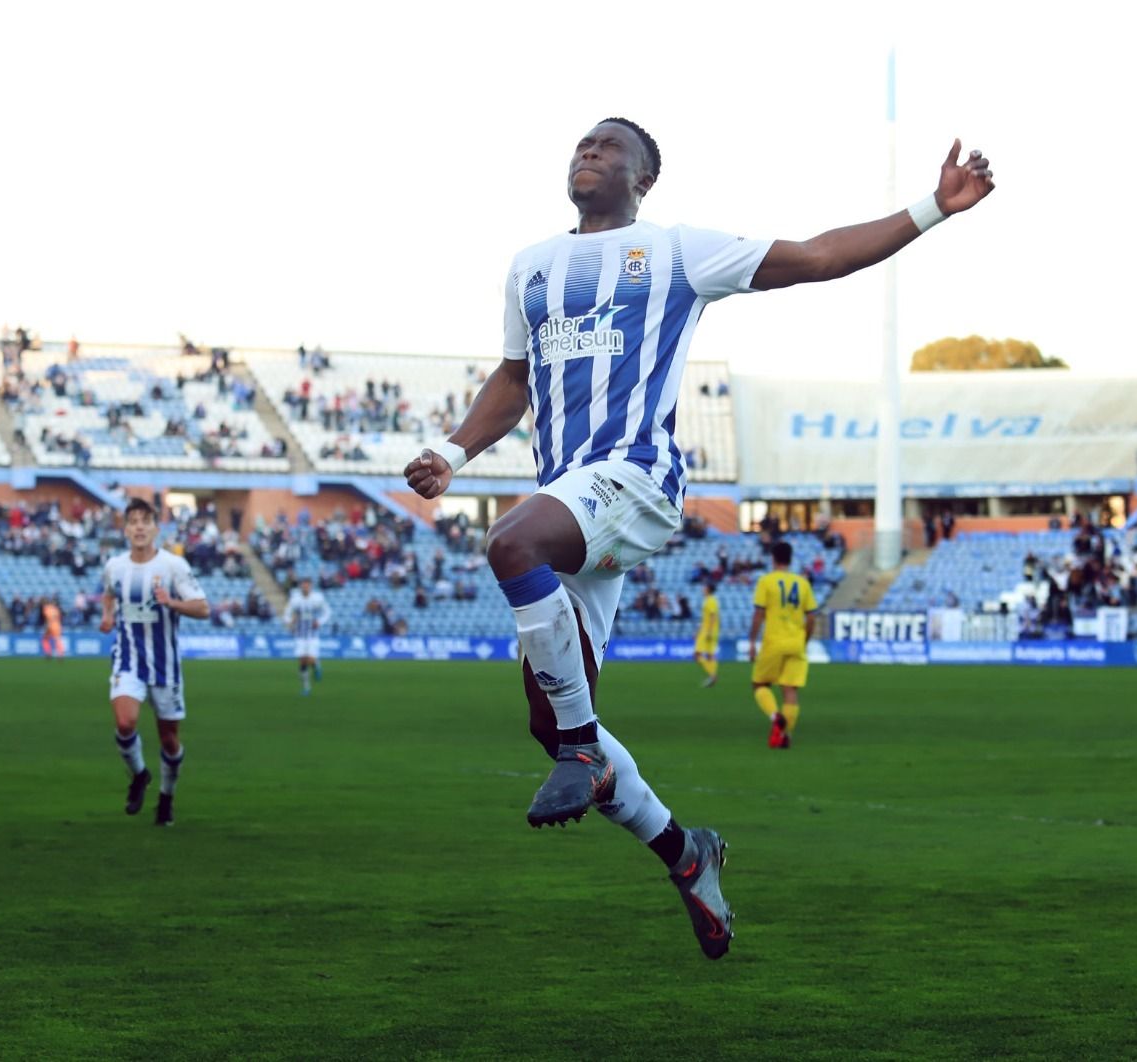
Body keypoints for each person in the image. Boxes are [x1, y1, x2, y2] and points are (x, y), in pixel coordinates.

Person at [402, 116, 994, 959]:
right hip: (572, 501)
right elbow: (513, 377)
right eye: (582, 142)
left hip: (636, 481)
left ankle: (582, 748)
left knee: (511, 548)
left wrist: (931, 209)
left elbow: (817, 256)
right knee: (546, 716)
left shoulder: (677, 251)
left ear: (645, 176)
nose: (589, 150)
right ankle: (688, 855)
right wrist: (453, 452)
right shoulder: (530, 266)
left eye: (611, 145)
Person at [99, 498, 211, 826]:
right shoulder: (115, 566)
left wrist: (172, 602)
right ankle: (139, 775)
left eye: (145, 521)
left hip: (166, 665)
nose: (139, 527)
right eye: (132, 521)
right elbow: (108, 592)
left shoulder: (173, 566)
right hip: (128, 658)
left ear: (155, 529)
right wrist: (108, 616)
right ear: (125, 529)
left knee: (169, 740)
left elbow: (203, 608)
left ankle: (166, 797)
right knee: (124, 723)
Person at [748, 542, 817, 748]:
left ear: (773, 558)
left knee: (759, 684)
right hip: (796, 642)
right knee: (790, 690)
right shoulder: (802, 583)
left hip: (774, 642)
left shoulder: (766, 581)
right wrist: (804, 640)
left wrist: (752, 641)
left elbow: (759, 614)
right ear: (791, 558)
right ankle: (785, 735)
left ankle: (775, 717)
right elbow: (812, 617)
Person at [282, 577, 332, 695]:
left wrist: (319, 622)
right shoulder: (295, 599)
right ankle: (306, 687)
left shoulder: (317, 598)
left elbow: (327, 612)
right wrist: (290, 621)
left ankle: (316, 665)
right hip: (299, 634)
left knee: (310, 659)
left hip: (312, 634)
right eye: (303, 585)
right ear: (300, 587)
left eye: (307, 585)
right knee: (302, 661)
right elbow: (286, 614)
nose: (305, 587)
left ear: (310, 586)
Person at [694, 582, 721, 688]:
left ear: (708, 589)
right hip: (709, 630)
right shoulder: (710, 600)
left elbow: (713, 616)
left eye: (704, 587)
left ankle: (713, 675)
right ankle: (712, 677)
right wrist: (698, 631)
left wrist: (708, 631)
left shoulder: (710, 601)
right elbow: (706, 618)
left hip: (708, 631)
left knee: (697, 655)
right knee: (710, 655)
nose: (702, 589)